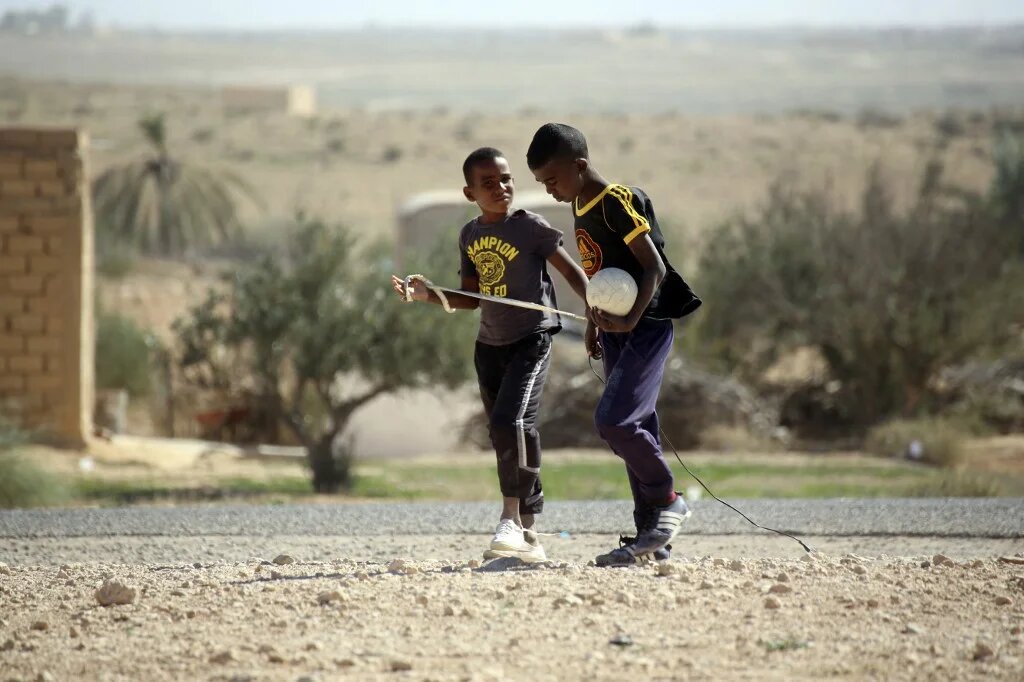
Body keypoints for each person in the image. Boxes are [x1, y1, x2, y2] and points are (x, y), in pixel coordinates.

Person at [391, 146, 589, 563]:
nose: (500, 188)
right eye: (488, 183)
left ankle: (510, 518)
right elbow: (471, 298)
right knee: (509, 433)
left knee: (510, 422)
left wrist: (595, 316)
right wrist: (427, 295)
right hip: (489, 346)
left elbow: (571, 273)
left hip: (531, 340)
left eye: (505, 179)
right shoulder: (470, 235)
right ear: (470, 193)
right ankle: (530, 533)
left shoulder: (530, 228)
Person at [527, 123, 702, 566]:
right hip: (616, 330)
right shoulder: (581, 204)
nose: (548, 190)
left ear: (579, 165)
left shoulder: (615, 201)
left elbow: (653, 268)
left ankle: (667, 501)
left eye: (552, 180)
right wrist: (595, 324)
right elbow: (604, 279)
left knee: (615, 422)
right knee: (637, 426)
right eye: (542, 184)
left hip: (646, 327)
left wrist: (628, 321)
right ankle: (651, 538)